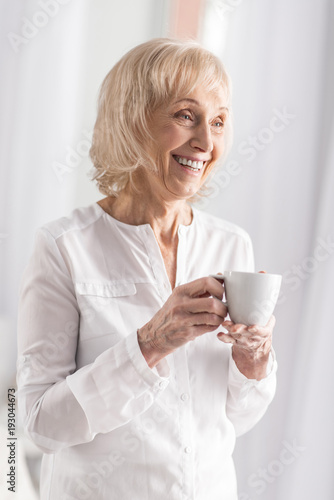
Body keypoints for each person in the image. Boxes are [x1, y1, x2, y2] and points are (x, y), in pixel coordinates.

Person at [17, 38, 277, 500]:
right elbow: (39, 425)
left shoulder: (232, 243)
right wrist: (150, 343)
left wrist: (253, 359)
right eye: (185, 116)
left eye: (218, 121)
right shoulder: (63, 247)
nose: (206, 142)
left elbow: (235, 417)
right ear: (132, 120)